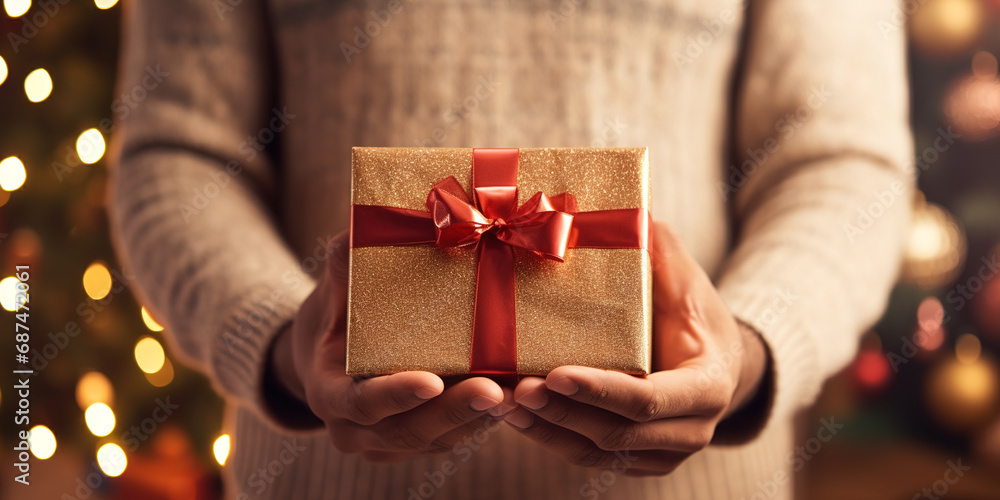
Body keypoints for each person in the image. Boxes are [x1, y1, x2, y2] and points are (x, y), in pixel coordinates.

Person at [108, 0, 913, 498]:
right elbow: (178, 155)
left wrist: (751, 349)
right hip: (319, 480)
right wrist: (283, 343)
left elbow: (843, 160)